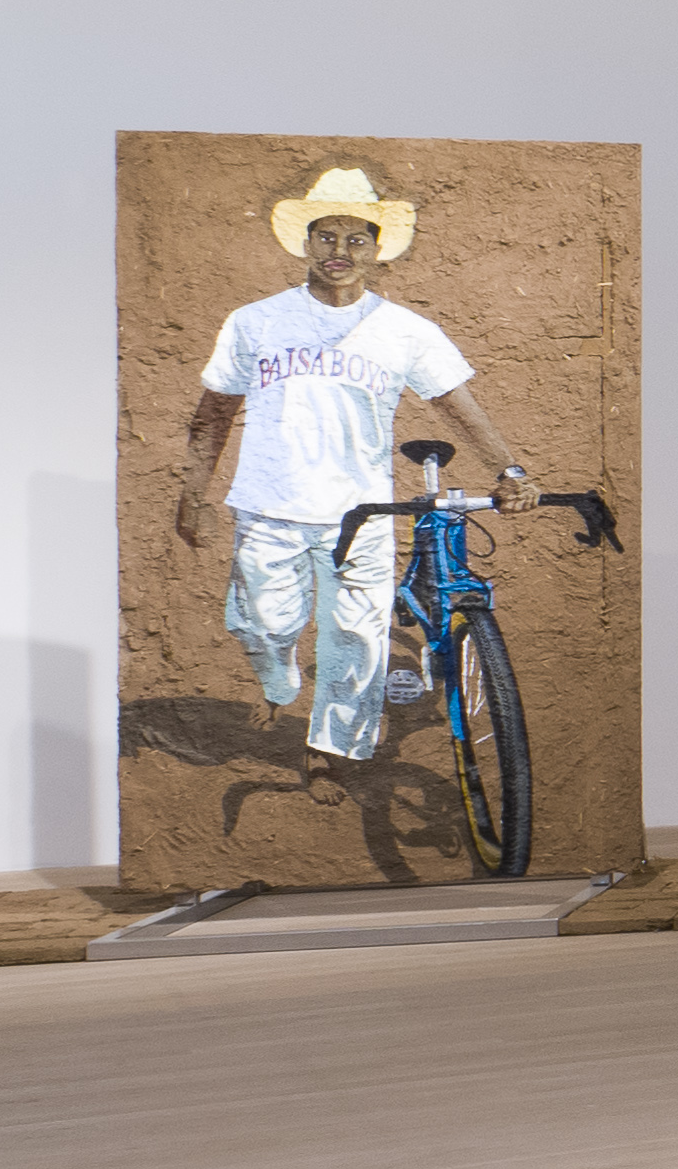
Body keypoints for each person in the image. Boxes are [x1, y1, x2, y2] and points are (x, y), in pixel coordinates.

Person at [172, 165, 511, 764]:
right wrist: (193, 493)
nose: (339, 252)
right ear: (305, 243)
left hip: (362, 514)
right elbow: (212, 415)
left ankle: (328, 751)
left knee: (356, 644)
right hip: (267, 507)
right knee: (263, 628)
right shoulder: (256, 321)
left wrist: (510, 472)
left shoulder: (406, 331)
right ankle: (280, 684)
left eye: (357, 239)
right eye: (327, 236)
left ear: (378, 251)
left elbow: (459, 406)